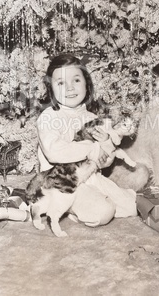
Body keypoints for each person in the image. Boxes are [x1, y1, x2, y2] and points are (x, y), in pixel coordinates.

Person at [36, 53, 137, 228]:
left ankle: (93, 198)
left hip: (91, 177)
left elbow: (105, 163)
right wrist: (90, 149)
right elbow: (54, 152)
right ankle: (70, 206)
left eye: (76, 80)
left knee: (132, 206)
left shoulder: (92, 117)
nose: (69, 88)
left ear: (86, 84)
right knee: (104, 212)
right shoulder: (49, 117)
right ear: (50, 89)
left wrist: (106, 142)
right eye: (61, 83)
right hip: (63, 182)